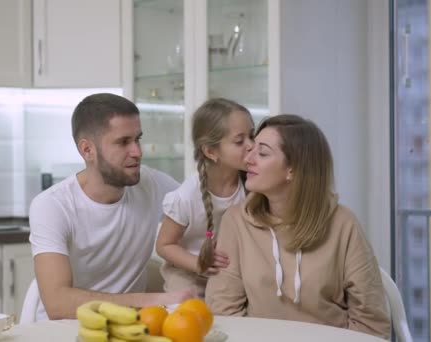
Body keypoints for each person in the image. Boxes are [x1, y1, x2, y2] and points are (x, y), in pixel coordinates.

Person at [205, 114, 391, 339]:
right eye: (251, 149)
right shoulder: (235, 221)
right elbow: (224, 314)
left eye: (262, 153)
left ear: (292, 169)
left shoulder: (343, 224)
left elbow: (372, 324)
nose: (248, 159)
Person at [29, 93, 194, 320]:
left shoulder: (151, 184)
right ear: (87, 150)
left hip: (128, 328)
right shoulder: (52, 206)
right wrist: (151, 301)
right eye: (123, 142)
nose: (137, 152)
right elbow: (57, 304)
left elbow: (202, 210)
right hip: (63, 331)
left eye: (138, 139)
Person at [155, 98, 254, 298]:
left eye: (253, 136)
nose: (252, 146)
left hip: (229, 274)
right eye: (239, 141)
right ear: (210, 151)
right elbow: (164, 245)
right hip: (188, 274)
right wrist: (198, 264)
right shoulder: (187, 196)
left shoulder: (251, 186)